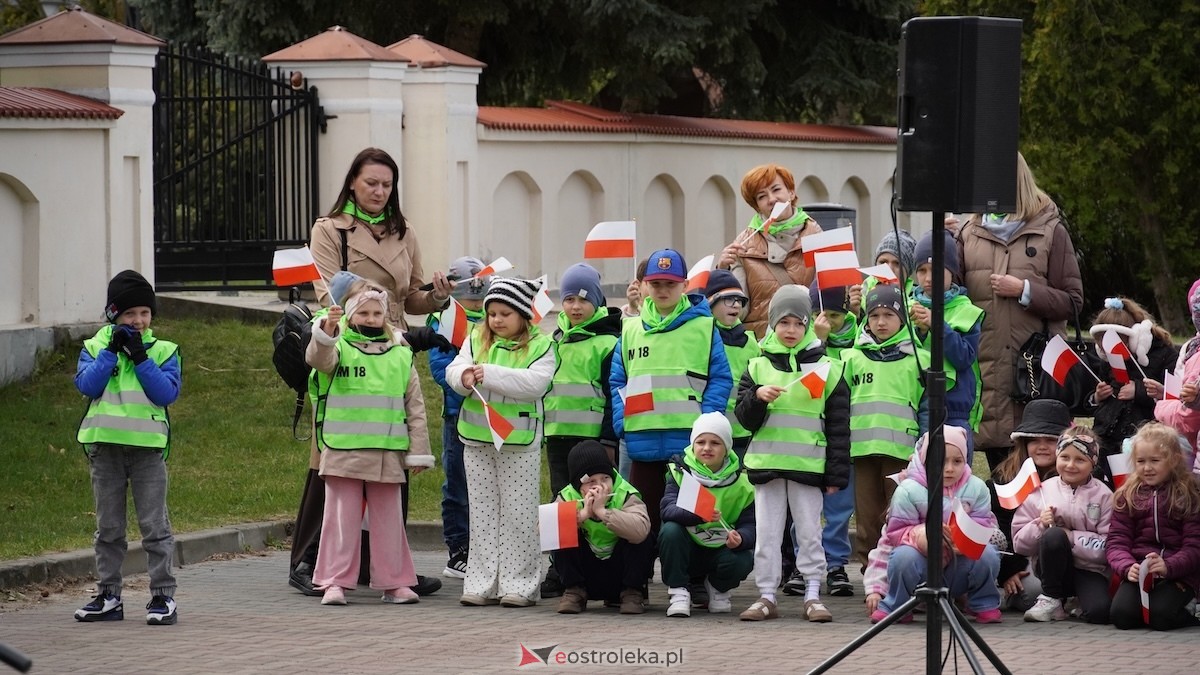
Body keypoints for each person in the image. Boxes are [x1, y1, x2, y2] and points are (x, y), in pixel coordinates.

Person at [290, 147, 451, 597]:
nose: (380, 192)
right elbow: (325, 291)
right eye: (371, 183)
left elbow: (411, 297)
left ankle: (386, 567)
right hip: (343, 345)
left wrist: (436, 297)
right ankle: (308, 560)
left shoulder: (405, 231)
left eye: (387, 185)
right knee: (333, 455)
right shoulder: (330, 229)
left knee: (389, 456)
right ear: (353, 183)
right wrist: (359, 316)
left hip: (393, 349)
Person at [306, 281, 434, 605]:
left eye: (377, 312)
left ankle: (395, 582)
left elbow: (415, 406)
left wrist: (418, 453)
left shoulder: (401, 354)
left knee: (389, 521)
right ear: (349, 315)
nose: (371, 317)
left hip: (386, 451)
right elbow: (318, 359)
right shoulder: (338, 347)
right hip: (342, 449)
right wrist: (326, 330)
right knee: (340, 520)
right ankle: (334, 582)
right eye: (363, 311)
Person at [956, 152, 1085, 471]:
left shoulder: (1051, 231)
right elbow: (951, 294)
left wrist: (1025, 291)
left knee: (1041, 477)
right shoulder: (967, 233)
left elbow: (1073, 302)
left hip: (1037, 375)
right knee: (1001, 477)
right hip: (987, 374)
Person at [735, 285, 851, 622]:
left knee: (809, 531)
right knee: (767, 534)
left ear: (808, 325)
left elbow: (839, 427)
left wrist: (835, 475)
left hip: (808, 467)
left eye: (798, 323)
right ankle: (766, 594)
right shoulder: (756, 367)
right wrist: (757, 397)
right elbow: (743, 419)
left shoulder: (828, 367)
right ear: (772, 325)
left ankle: (813, 593)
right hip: (767, 465)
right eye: (783, 323)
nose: (790, 330)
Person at [74, 270, 182, 625]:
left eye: (145, 313)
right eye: (129, 314)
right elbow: (88, 387)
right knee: (109, 528)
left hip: (147, 451)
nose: (138, 321)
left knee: (154, 526)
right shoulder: (93, 347)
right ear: (112, 315)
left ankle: (163, 597)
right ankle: (109, 595)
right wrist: (110, 352)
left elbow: (165, 393)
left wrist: (140, 357)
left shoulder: (164, 350)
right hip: (105, 450)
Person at [447, 277, 556, 607]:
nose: (495, 320)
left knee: (518, 513)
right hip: (477, 438)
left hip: (518, 441)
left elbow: (535, 384)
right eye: (491, 313)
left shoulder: (542, 345)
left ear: (523, 314)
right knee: (481, 513)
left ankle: (519, 584)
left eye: (504, 313)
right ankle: (481, 582)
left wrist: (486, 373)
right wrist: (463, 376)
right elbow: (456, 369)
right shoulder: (476, 336)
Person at [610, 248, 732, 538]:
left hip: (688, 443)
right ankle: (638, 581)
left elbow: (720, 377)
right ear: (644, 286)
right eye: (656, 284)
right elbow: (618, 379)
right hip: (643, 439)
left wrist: (706, 423)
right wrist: (622, 423)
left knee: (690, 516)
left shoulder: (704, 327)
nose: (663, 290)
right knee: (642, 517)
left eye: (670, 284)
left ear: (685, 286)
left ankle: (690, 578)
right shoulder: (630, 328)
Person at [841, 283, 938, 567]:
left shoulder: (918, 360)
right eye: (874, 315)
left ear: (902, 319)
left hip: (902, 454)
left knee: (899, 515)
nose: (881, 322)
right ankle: (871, 574)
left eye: (889, 315)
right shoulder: (851, 358)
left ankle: (899, 568)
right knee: (868, 519)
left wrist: (923, 446)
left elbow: (926, 408)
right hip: (862, 452)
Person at [541, 263, 622, 598]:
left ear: (598, 302)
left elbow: (612, 394)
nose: (574, 306)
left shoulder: (608, 342)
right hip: (557, 437)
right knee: (561, 504)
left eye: (583, 299)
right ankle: (560, 571)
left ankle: (604, 569)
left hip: (590, 442)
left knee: (596, 502)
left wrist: (607, 439)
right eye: (569, 298)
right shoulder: (552, 340)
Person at [873, 426, 1002, 624]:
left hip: (958, 565)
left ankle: (983, 603)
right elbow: (896, 534)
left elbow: (983, 524)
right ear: (925, 460)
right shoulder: (908, 490)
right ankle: (897, 605)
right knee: (903, 556)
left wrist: (968, 539)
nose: (949, 468)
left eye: (957, 461)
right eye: (941, 461)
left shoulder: (977, 488)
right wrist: (923, 535)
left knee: (988, 553)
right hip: (923, 565)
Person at [427, 257, 492, 579]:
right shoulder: (447, 319)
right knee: (458, 485)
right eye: (470, 299)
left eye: (480, 299)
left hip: (492, 413)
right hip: (458, 413)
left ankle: (485, 548)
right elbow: (440, 367)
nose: (475, 304)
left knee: (487, 486)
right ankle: (459, 551)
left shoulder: (494, 318)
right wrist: (467, 382)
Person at [1011, 427, 1112, 624]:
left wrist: (1071, 537)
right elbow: (1019, 545)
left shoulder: (1104, 496)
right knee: (1053, 535)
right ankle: (1052, 599)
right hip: (1051, 571)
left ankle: (1076, 602)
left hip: (1090, 570)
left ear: (1093, 462)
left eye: (1080, 460)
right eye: (1065, 457)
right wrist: (1040, 524)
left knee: (1099, 613)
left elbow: (1108, 547)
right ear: (1057, 457)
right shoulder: (1041, 491)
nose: (1071, 465)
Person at [659, 413, 756, 617]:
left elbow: (752, 525)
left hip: (720, 548)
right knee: (670, 531)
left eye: (715, 443)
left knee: (744, 558)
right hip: (687, 549)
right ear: (693, 445)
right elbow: (667, 509)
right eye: (700, 442)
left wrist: (742, 538)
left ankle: (717, 588)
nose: (707, 448)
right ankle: (679, 591)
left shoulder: (743, 483)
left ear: (727, 448)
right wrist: (698, 515)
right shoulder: (680, 473)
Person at [1107, 423, 1200, 630]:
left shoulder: (1189, 494)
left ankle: (1188, 608)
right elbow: (1116, 541)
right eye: (1140, 461)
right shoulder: (1127, 495)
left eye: (1155, 461)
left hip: (1178, 573)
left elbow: (1194, 545)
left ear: (1174, 460)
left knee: (1161, 618)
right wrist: (1127, 567)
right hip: (1140, 570)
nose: (1147, 468)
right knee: (1121, 616)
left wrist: (1169, 566)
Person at [715, 163, 822, 337]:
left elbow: (831, 307)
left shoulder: (819, 238)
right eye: (762, 196)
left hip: (808, 345)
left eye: (776, 189)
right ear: (757, 206)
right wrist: (723, 274)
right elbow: (737, 314)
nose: (771, 199)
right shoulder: (742, 247)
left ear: (791, 193)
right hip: (762, 349)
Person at [987, 399, 1071, 612]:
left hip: (1069, 557)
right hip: (1024, 561)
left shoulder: (1076, 477)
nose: (1042, 446)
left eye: (1050, 440)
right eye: (1035, 440)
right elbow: (1000, 530)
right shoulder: (1005, 480)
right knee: (1029, 594)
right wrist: (1010, 570)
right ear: (1023, 443)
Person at [909, 229, 984, 462]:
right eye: (921, 270)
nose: (928, 278)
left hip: (954, 412)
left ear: (952, 272)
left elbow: (963, 357)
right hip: (913, 410)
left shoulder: (965, 309)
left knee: (955, 481)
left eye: (936, 270)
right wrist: (920, 332)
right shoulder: (904, 305)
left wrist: (935, 324)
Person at [553, 441, 654, 615]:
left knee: (645, 535)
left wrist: (602, 512)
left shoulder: (625, 493)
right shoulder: (568, 495)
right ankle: (574, 591)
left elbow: (640, 530)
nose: (600, 486)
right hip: (587, 572)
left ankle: (632, 592)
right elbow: (545, 531)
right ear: (579, 486)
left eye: (605, 479)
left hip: (619, 571)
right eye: (591, 481)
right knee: (560, 529)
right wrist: (582, 515)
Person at [1088, 296, 1179, 484]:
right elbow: (1096, 394)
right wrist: (1098, 395)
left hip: (1144, 437)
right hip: (1107, 434)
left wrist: (1139, 391)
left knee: (1136, 486)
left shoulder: (1165, 355)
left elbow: (1175, 396)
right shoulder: (1107, 359)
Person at [808, 282, 858, 597]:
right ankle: (804, 565)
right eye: (818, 313)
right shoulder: (806, 339)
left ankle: (836, 565)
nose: (826, 320)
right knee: (807, 507)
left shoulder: (860, 342)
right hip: (810, 436)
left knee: (840, 506)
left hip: (844, 437)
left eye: (834, 314)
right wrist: (817, 342)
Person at [704, 270, 761, 460]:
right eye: (729, 299)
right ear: (710, 302)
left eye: (739, 300)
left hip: (743, 433)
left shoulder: (751, 343)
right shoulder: (703, 338)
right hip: (711, 433)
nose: (736, 305)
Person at [1156, 277, 1200, 453]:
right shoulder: (1191, 349)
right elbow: (1180, 394)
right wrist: (1164, 394)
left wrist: (1161, 408)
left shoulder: (1195, 356)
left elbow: (1188, 418)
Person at [862, 230, 916, 298]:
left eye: (897, 263)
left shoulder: (919, 304)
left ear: (908, 270)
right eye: (883, 262)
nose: (889, 269)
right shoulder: (859, 297)